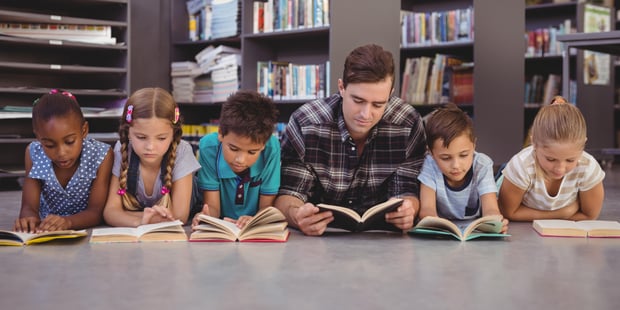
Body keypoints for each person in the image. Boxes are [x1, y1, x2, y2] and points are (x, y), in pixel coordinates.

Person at [274, 44, 427, 236]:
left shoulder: (408, 123)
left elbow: (406, 191)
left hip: (384, 242)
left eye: (378, 104)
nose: (366, 114)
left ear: (390, 94)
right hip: (320, 242)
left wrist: (408, 209)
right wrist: (298, 216)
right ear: (341, 87)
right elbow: (289, 194)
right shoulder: (306, 123)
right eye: (358, 100)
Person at [14, 90, 113, 233]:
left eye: (69, 142)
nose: (61, 153)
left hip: (84, 227)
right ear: (38, 136)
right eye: (49, 145)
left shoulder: (101, 155)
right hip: (47, 229)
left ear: (84, 130)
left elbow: (96, 212)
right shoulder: (33, 152)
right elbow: (29, 206)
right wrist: (29, 218)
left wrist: (68, 222)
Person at [103, 87, 201, 227]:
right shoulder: (123, 148)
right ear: (128, 132)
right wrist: (142, 221)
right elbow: (111, 212)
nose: (150, 146)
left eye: (161, 138)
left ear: (173, 133)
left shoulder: (182, 151)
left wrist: (128, 216)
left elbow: (180, 216)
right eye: (141, 137)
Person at [499, 102, 605, 221]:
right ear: (534, 143)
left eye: (570, 160)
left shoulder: (588, 167)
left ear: (583, 146)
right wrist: (563, 213)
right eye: (550, 159)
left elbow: (590, 215)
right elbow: (508, 212)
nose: (560, 168)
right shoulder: (521, 165)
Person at [192, 90, 280, 229]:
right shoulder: (208, 148)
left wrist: (255, 219)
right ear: (221, 133)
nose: (240, 160)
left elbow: (266, 209)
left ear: (263, 145)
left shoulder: (271, 148)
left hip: (256, 230)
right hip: (222, 230)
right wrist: (205, 217)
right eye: (233, 149)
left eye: (252, 152)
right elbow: (213, 207)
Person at [418, 104, 508, 233]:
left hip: (475, 234)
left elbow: (491, 209)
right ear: (431, 153)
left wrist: (495, 221)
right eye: (445, 158)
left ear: (474, 145)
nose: (456, 165)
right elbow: (427, 210)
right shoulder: (429, 165)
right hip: (442, 237)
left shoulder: (482, 165)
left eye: (464, 155)